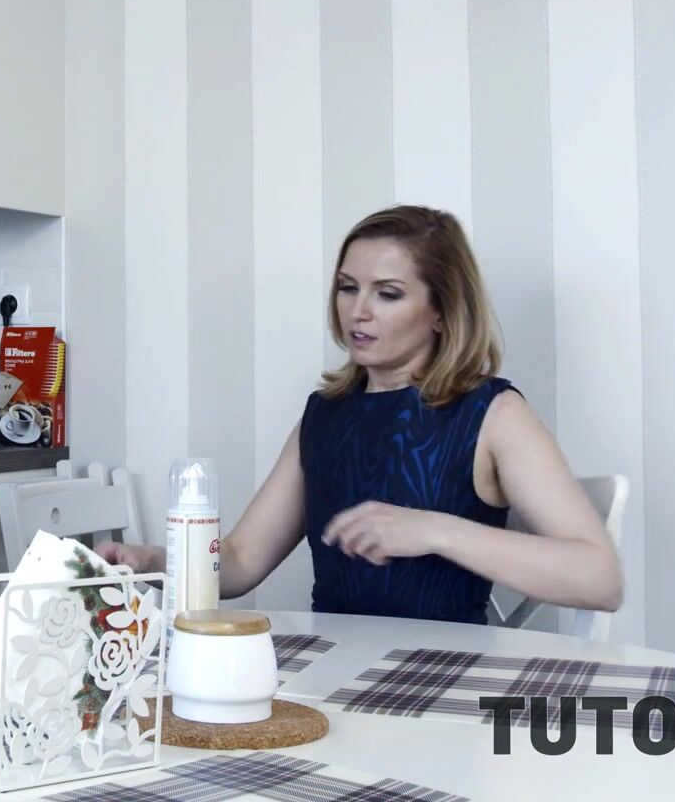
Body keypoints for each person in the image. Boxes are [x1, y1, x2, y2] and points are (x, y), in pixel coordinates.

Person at [101, 205, 622, 624]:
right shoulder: (323, 416)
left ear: (442, 311)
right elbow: (239, 562)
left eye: (388, 294)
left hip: (443, 681)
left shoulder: (494, 414)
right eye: (348, 288)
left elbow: (601, 580)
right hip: (334, 673)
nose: (358, 311)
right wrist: (155, 561)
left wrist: (436, 531)